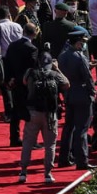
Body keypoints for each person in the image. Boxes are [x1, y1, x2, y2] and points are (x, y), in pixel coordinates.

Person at [16, 50, 67, 185]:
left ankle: (23, 172)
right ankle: (48, 174)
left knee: (27, 143)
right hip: (50, 115)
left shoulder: (31, 73)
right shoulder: (54, 74)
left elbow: (24, 82)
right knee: (50, 145)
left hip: (33, 113)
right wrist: (57, 69)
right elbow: (67, 84)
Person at [59, 29, 95, 170]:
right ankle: (82, 161)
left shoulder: (62, 56)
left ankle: (64, 158)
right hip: (82, 94)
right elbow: (88, 77)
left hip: (69, 94)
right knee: (82, 129)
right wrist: (92, 93)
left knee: (68, 127)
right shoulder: (79, 57)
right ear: (78, 42)